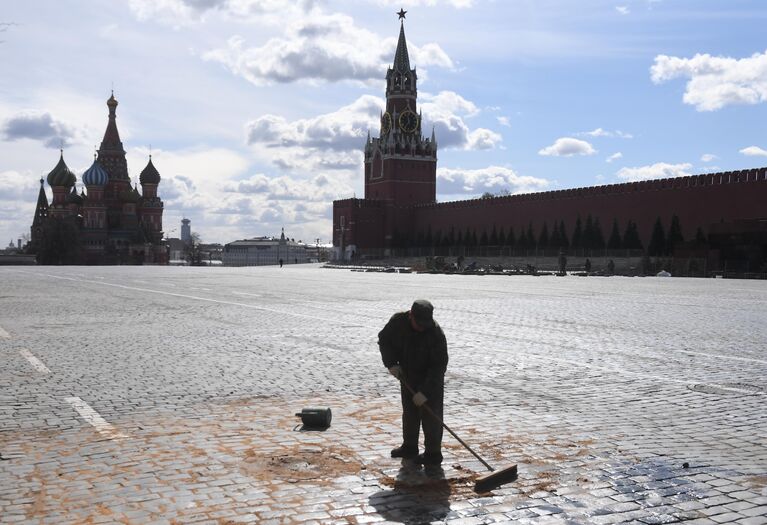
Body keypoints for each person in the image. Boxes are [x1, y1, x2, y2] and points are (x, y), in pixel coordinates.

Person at [378, 300, 448, 466]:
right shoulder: (398, 322)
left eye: (425, 324)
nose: (422, 327)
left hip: (430, 377)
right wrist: (391, 364)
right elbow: (384, 339)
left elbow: (438, 368)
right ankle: (409, 447)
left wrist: (425, 392)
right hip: (407, 373)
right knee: (409, 412)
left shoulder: (436, 335)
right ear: (411, 316)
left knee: (432, 416)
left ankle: (433, 454)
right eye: (419, 324)